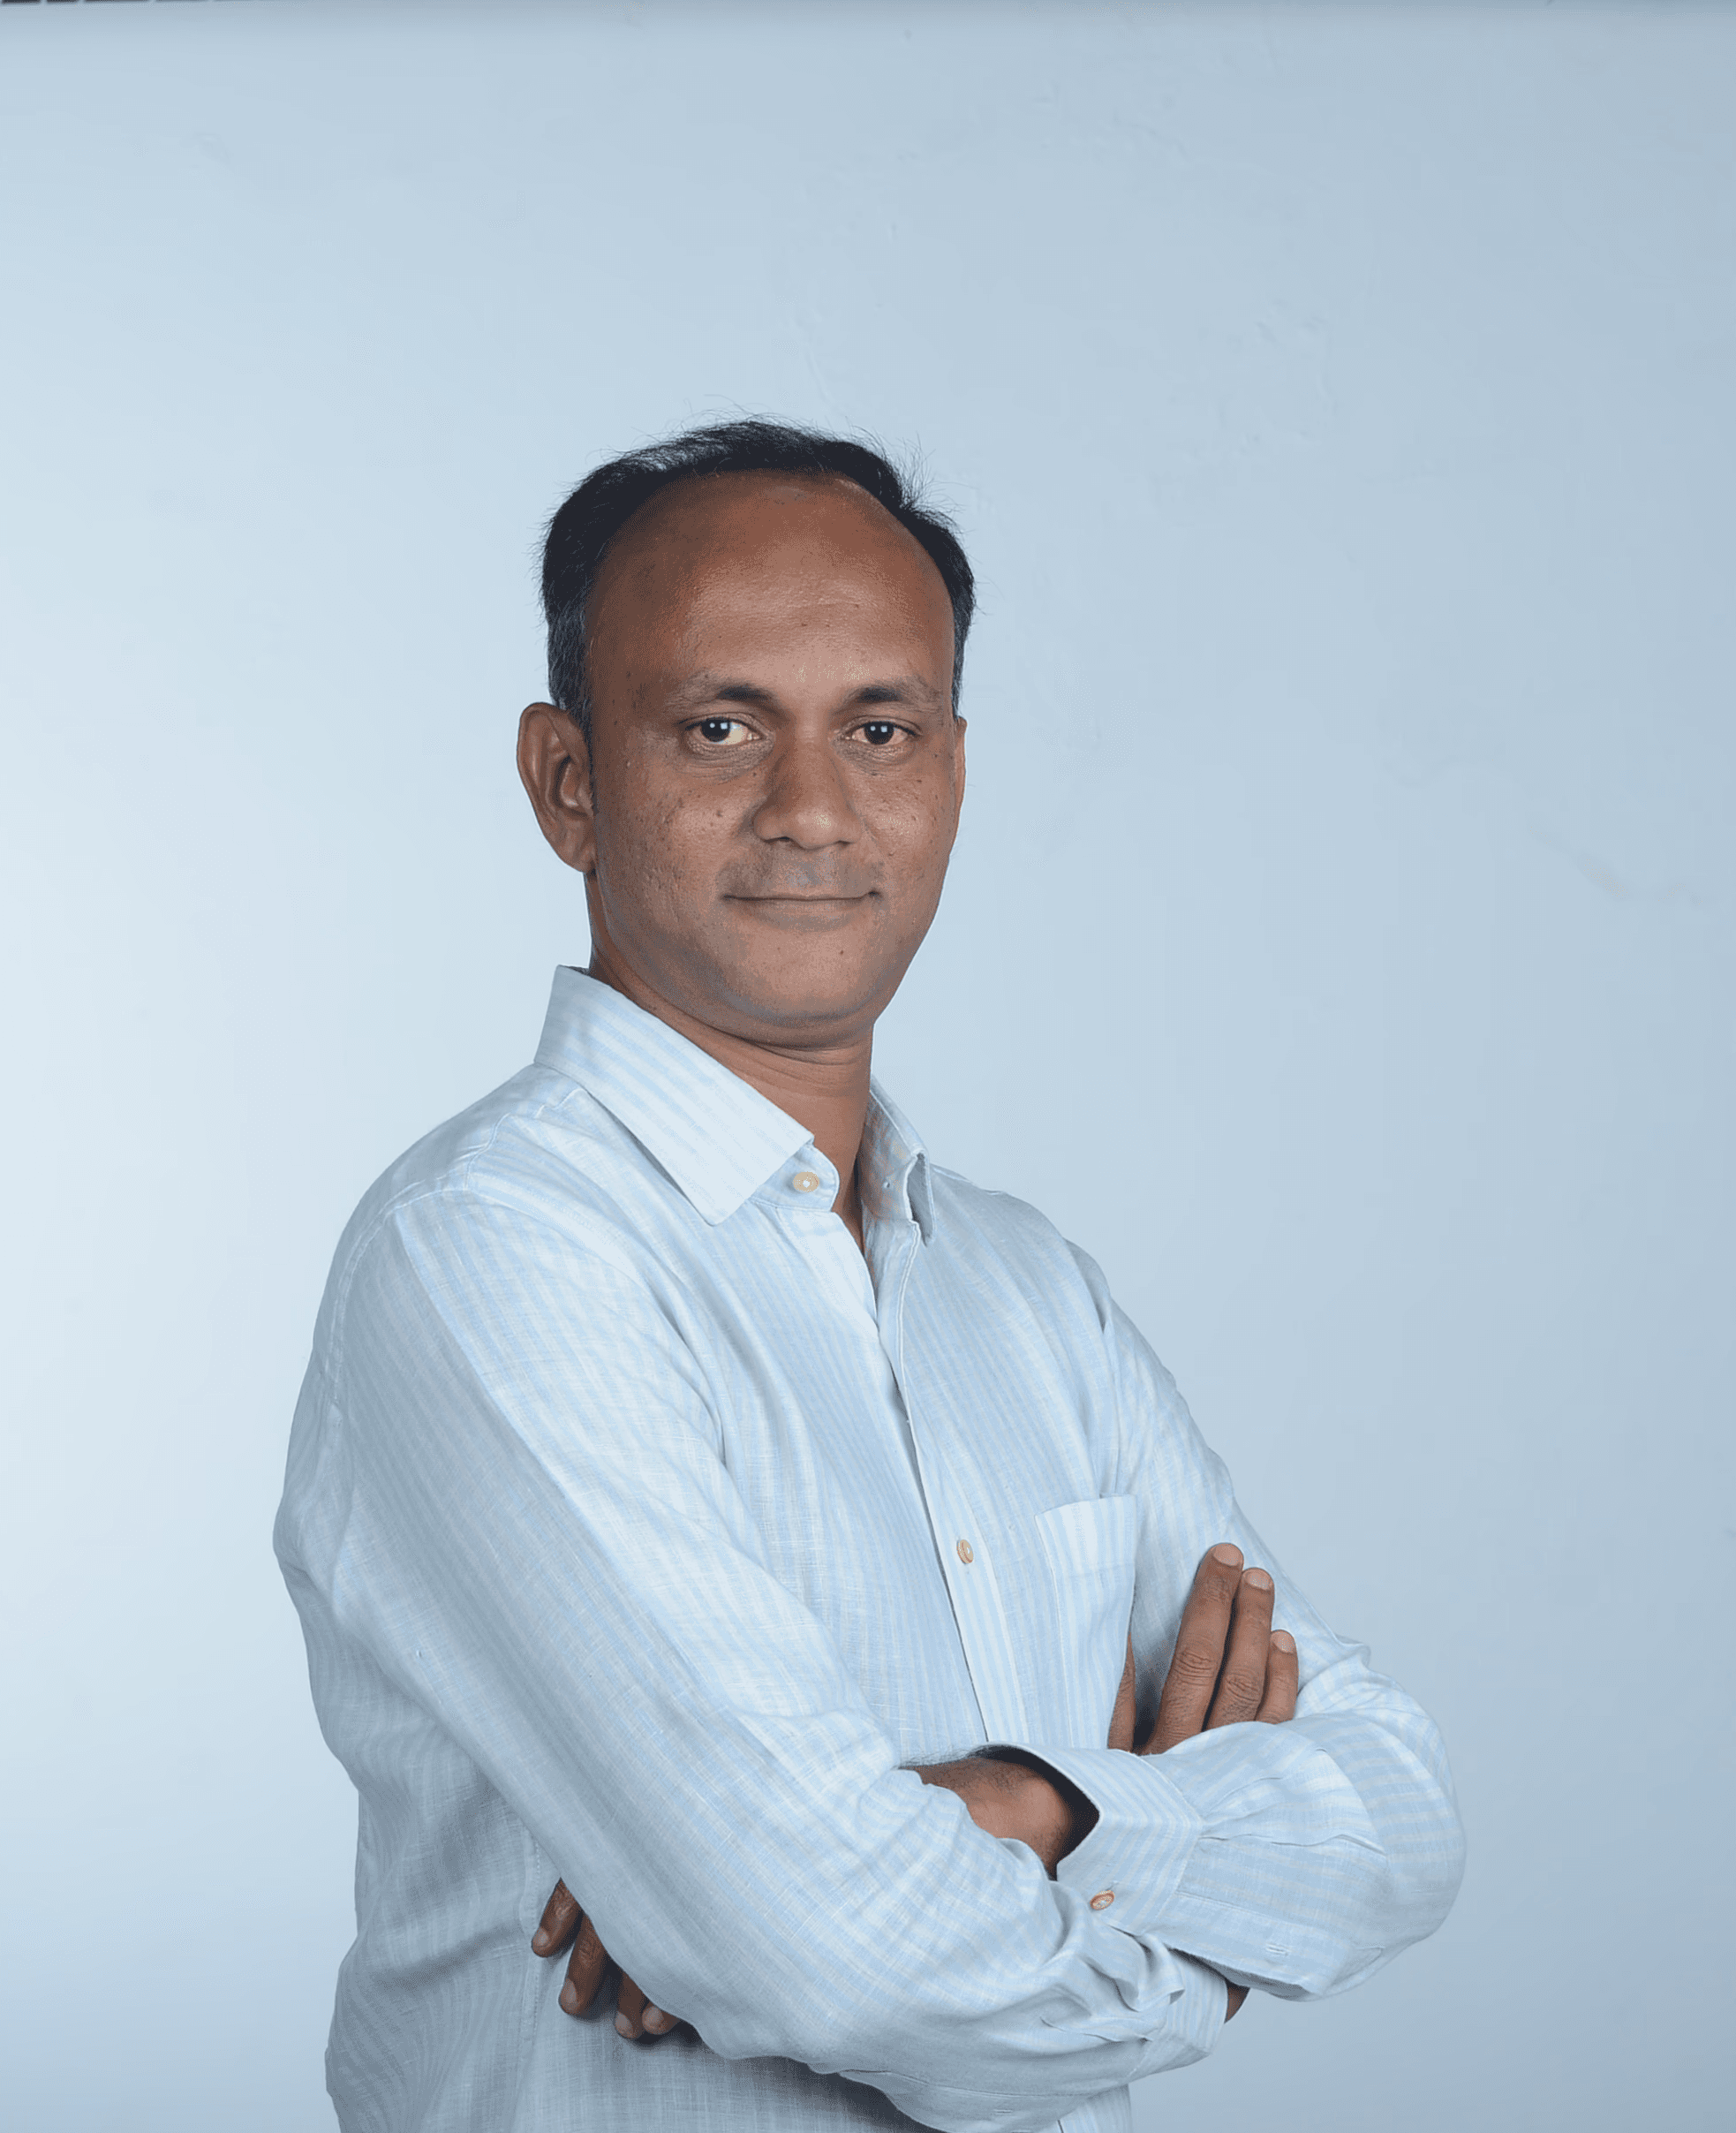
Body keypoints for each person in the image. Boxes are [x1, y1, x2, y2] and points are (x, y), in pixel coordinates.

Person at [275, 420, 1465, 2133]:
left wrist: (1038, 1803)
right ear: (568, 782)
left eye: (880, 728)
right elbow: (838, 1958)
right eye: (720, 725)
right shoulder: (494, 1257)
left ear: (953, 771)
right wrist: (1200, 1903)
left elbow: (1397, 1805)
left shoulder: (1022, 1289)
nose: (814, 808)